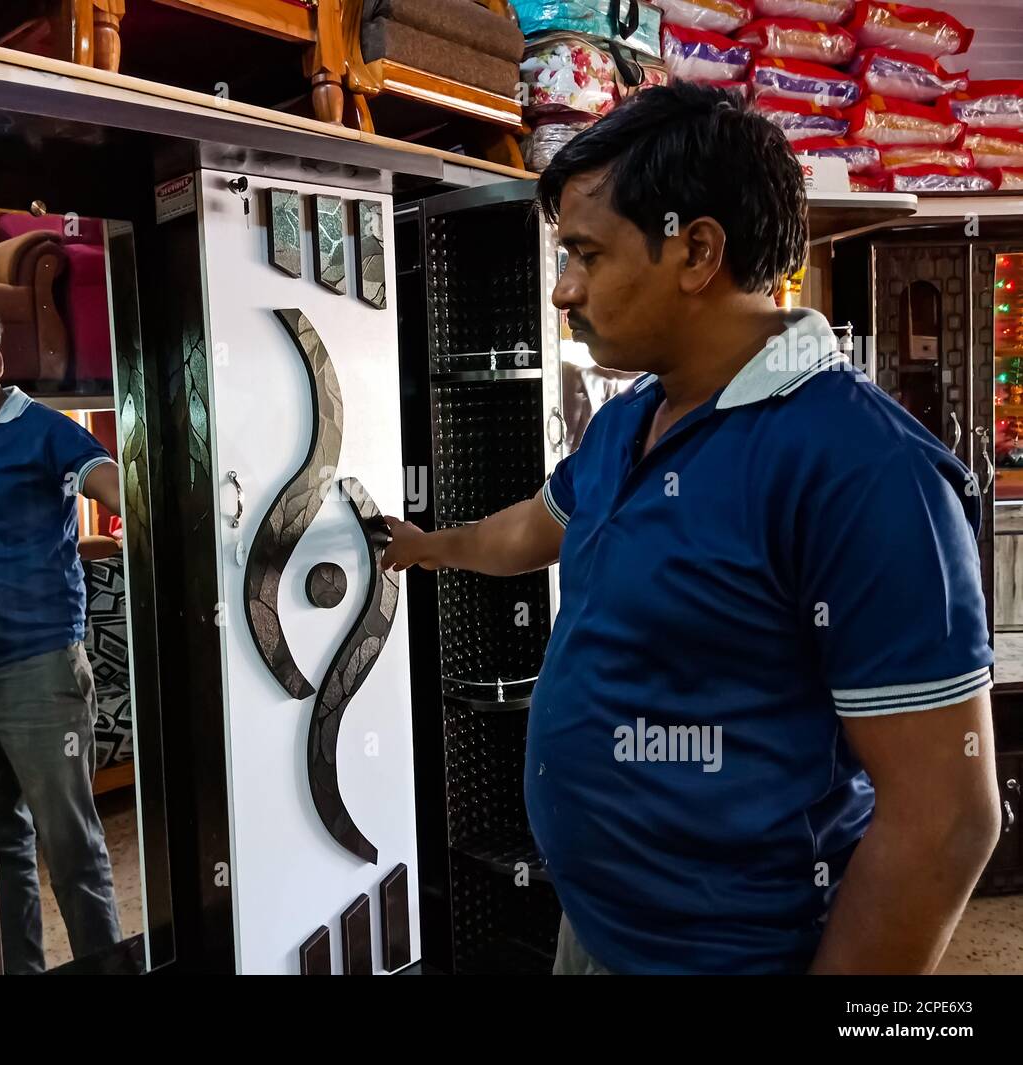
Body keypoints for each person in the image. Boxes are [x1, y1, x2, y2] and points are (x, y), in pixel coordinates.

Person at [381, 83, 1002, 975]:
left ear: (697, 249)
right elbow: (537, 528)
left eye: (586, 255)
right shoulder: (631, 418)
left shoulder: (865, 472)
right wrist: (426, 546)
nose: (564, 291)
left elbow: (948, 818)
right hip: (595, 927)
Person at [0, 299, 124, 974]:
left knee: (71, 845)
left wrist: (146, 503)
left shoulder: (44, 430)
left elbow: (105, 479)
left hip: (40, 668)